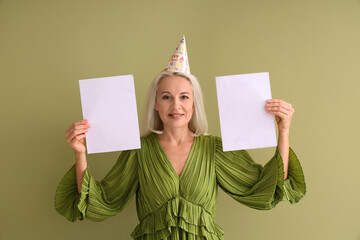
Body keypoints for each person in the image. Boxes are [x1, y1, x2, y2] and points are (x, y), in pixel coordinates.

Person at [55, 36, 306, 240]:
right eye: (166, 96)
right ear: (155, 104)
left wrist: (283, 132)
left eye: (184, 97)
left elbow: (267, 187)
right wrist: (80, 152)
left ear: (194, 104)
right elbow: (101, 202)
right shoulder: (138, 151)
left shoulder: (214, 150)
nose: (176, 105)